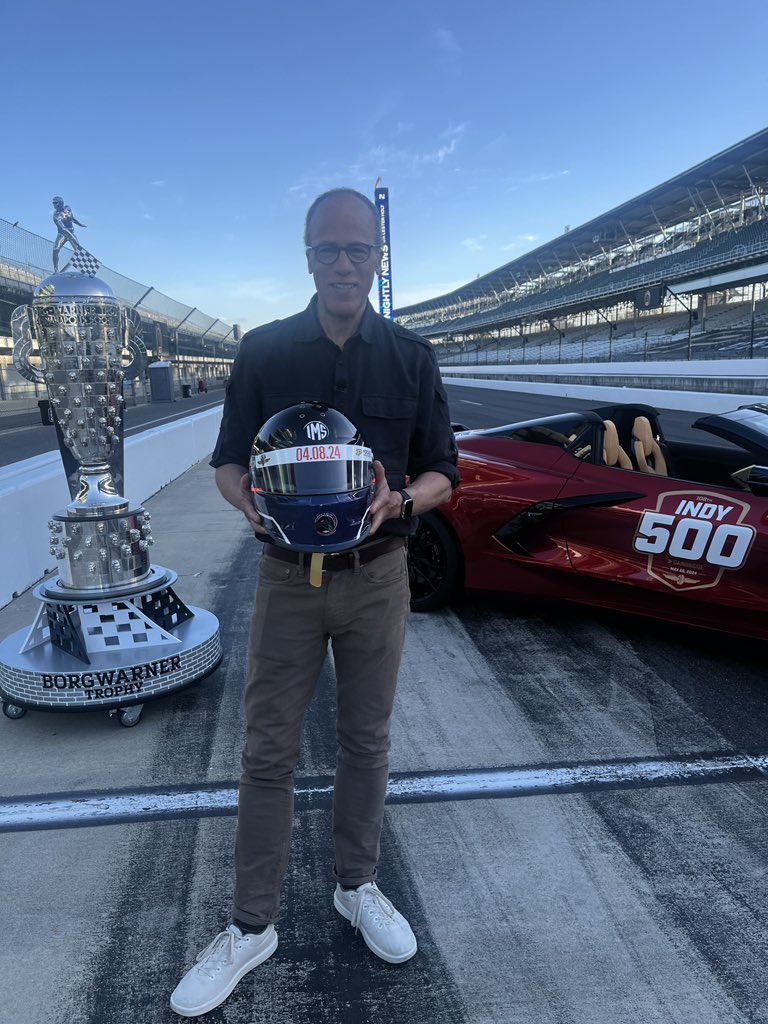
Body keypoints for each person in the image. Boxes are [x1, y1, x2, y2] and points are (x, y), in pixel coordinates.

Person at [170, 188, 459, 1018]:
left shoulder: (411, 355)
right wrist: (246, 501)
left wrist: (402, 500)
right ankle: (250, 926)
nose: (342, 264)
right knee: (268, 750)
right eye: (328, 250)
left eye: (357, 250)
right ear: (306, 256)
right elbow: (229, 461)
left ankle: (356, 886)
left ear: (377, 258)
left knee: (367, 739)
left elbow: (445, 470)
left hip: (378, 573)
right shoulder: (263, 352)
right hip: (286, 575)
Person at [51, 196, 86, 272]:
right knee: (55, 249)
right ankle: (56, 269)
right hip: (62, 234)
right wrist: (72, 237)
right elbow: (63, 228)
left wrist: (80, 224)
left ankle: (84, 267)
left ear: (60, 203)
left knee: (78, 250)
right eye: (53, 203)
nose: (53, 204)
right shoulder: (56, 215)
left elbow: (72, 218)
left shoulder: (68, 209)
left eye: (55, 203)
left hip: (71, 231)